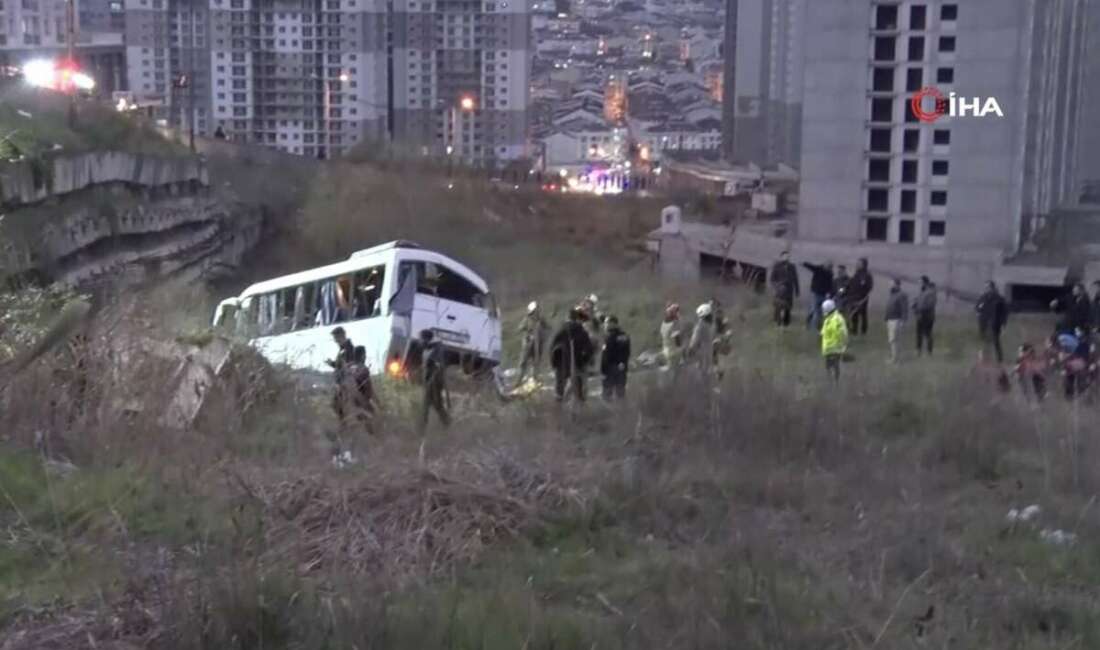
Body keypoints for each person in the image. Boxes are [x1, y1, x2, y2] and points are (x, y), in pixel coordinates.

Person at [550, 308, 595, 403]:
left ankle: (559, 405)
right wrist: (586, 360)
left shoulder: (561, 330)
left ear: (568, 317)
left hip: (562, 363)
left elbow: (553, 347)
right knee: (579, 386)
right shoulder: (582, 331)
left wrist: (554, 362)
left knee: (560, 387)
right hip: (578, 363)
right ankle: (579, 406)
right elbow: (589, 349)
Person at [418, 329, 451, 432]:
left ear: (426, 339)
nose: (419, 341)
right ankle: (448, 424)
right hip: (428, 383)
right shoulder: (426, 350)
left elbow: (439, 367)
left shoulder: (436, 350)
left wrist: (431, 382)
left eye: (421, 339)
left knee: (426, 407)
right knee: (437, 406)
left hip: (434, 384)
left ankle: (421, 431)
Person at [327, 327, 358, 426]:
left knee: (339, 405)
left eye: (336, 338)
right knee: (337, 406)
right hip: (341, 382)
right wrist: (332, 363)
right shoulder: (343, 349)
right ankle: (343, 426)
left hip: (345, 383)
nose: (335, 340)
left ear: (341, 336)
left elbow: (348, 366)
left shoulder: (348, 349)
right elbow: (340, 365)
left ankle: (345, 427)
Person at [516, 301, 549, 384]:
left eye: (538, 310)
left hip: (538, 345)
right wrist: (528, 332)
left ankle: (534, 379)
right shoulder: (527, 319)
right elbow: (520, 328)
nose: (537, 312)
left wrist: (543, 335)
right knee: (523, 363)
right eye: (535, 310)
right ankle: (519, 380)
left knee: (536, 363)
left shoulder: (541, 320)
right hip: (528, 344)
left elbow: (548, 328)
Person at [600, 316, 631, 400]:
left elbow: (623, 352)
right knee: (619, 392)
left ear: (613, 324)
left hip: (611, 368)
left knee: (609, 393)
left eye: (607, 323)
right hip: (619, 368)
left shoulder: (610, 337)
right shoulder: (621, 336)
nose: (605, 325)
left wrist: (603, 369)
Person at [976, 281, 1009, 362]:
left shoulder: (999, 299)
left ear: (992, 288)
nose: (986, 289)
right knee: (984, 341)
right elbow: (977, 308)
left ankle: (999, 359)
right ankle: (985, 358)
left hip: (995, 323)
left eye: (988, 287)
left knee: (995, 341)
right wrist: (978, 311)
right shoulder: (983, 298)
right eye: (985, 287)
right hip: (984, 323)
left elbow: (1004, 312)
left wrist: (1003, 324)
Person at [820, 299, 848, 382]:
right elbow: (824, 332)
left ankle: (836, 382)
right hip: (828, 349)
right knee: (828, 366)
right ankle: (831, 381)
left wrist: (842, 344)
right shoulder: (828, 319)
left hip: (835, 348)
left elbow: (843, 333)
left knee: (835, 366)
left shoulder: (837, 319)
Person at [769, 251, 799, 327]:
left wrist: (797, 290)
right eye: (784, 256)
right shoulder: (777, 266)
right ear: (781, 257)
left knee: (788, 307)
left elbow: (795, 279)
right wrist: (778, 286)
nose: (786, 258)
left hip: (789, 290)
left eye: (787, 256)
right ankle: (777, 321)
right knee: (778, 306)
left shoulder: (792, 266)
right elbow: (772, 279)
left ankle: (786, 323)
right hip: (780, 290)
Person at [802, 260, 834, 330]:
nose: (829, 268)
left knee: (818, 312)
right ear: (825, 265)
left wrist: (830, 294)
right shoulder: (819, 269)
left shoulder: (830, 274)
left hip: (824, 295)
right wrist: (804, 263)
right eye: (828, 266)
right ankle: (813, 328)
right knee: (815, 312)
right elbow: (811, 267)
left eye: (830, 267)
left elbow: (830, 285)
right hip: (815, 294)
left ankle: (813, 326)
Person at [884, 278, 909, 363]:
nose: (890, 285)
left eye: (891, 283)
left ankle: (895, 358)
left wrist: (903, 320)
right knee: (892, 339)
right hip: (890, 319)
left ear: (897, 285)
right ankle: (894, 357)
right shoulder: (892, 294)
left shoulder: (901, 295)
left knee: (894, 339)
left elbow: (904, 308)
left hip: (896, 320)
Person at [688, 302, 717, 376]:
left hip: (702, 357)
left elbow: (694, 342)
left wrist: (690, 351)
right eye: (710, 314)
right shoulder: (710, 326)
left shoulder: (700, 326)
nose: (711, 316)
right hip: (708, 356)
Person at [849, 258, 874, 336]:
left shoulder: (867, 275)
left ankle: (864, 331)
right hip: (853, 297)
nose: (857, 264)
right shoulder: (856, 274)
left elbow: (870, 287)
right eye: (857, 263)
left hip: (862, 298)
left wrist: (864, 297)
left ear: (863, 265)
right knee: (854, 315)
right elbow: (852, 284)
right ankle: (854, 330)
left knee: (863, 314)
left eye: (859, 263)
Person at [913, 276, 937, 356]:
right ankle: (918, 350)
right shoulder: (921, 292)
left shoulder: (931, 292)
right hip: (920, 316)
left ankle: (929, 351)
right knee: (919, 333)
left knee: (928, 334)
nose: (919, 284)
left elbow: (930, 305)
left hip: (927, 316)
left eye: (920, 282)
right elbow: (918, 302)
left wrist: (919, 308)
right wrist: (914, 305)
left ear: (925, 282)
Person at [659, 303, 684, 368]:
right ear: (673, 313)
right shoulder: (674, 324)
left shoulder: (663, 323)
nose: (678, 313)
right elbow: (677, 339)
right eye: (677, 312)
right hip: (674, 352)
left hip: (665, 351)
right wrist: (681, 351)